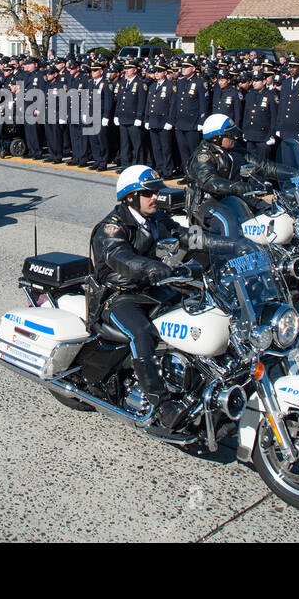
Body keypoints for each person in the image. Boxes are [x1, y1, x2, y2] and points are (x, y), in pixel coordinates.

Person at [90, 166, 196, 436]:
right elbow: (120, 257)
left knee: (196, 309)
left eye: (156, 192)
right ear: (129, 198)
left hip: (151, 288)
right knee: (143, 332)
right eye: (148, 193)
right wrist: (149, 267)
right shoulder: (111, 227)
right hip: (118, 296)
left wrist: (225, 243)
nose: (155, 198)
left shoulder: (157, 218)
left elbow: (187, 237)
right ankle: (160, 404)